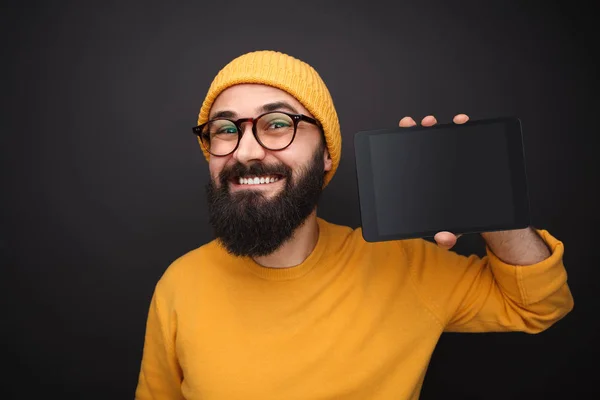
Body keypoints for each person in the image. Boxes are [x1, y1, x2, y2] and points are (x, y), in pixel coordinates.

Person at [135, 50, 574, 400]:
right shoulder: (180, 285)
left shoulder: (404, 266)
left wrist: (486, 199)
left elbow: (536, 306)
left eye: (277, 124)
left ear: (326, 153)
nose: (246, 150)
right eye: (225, 129)